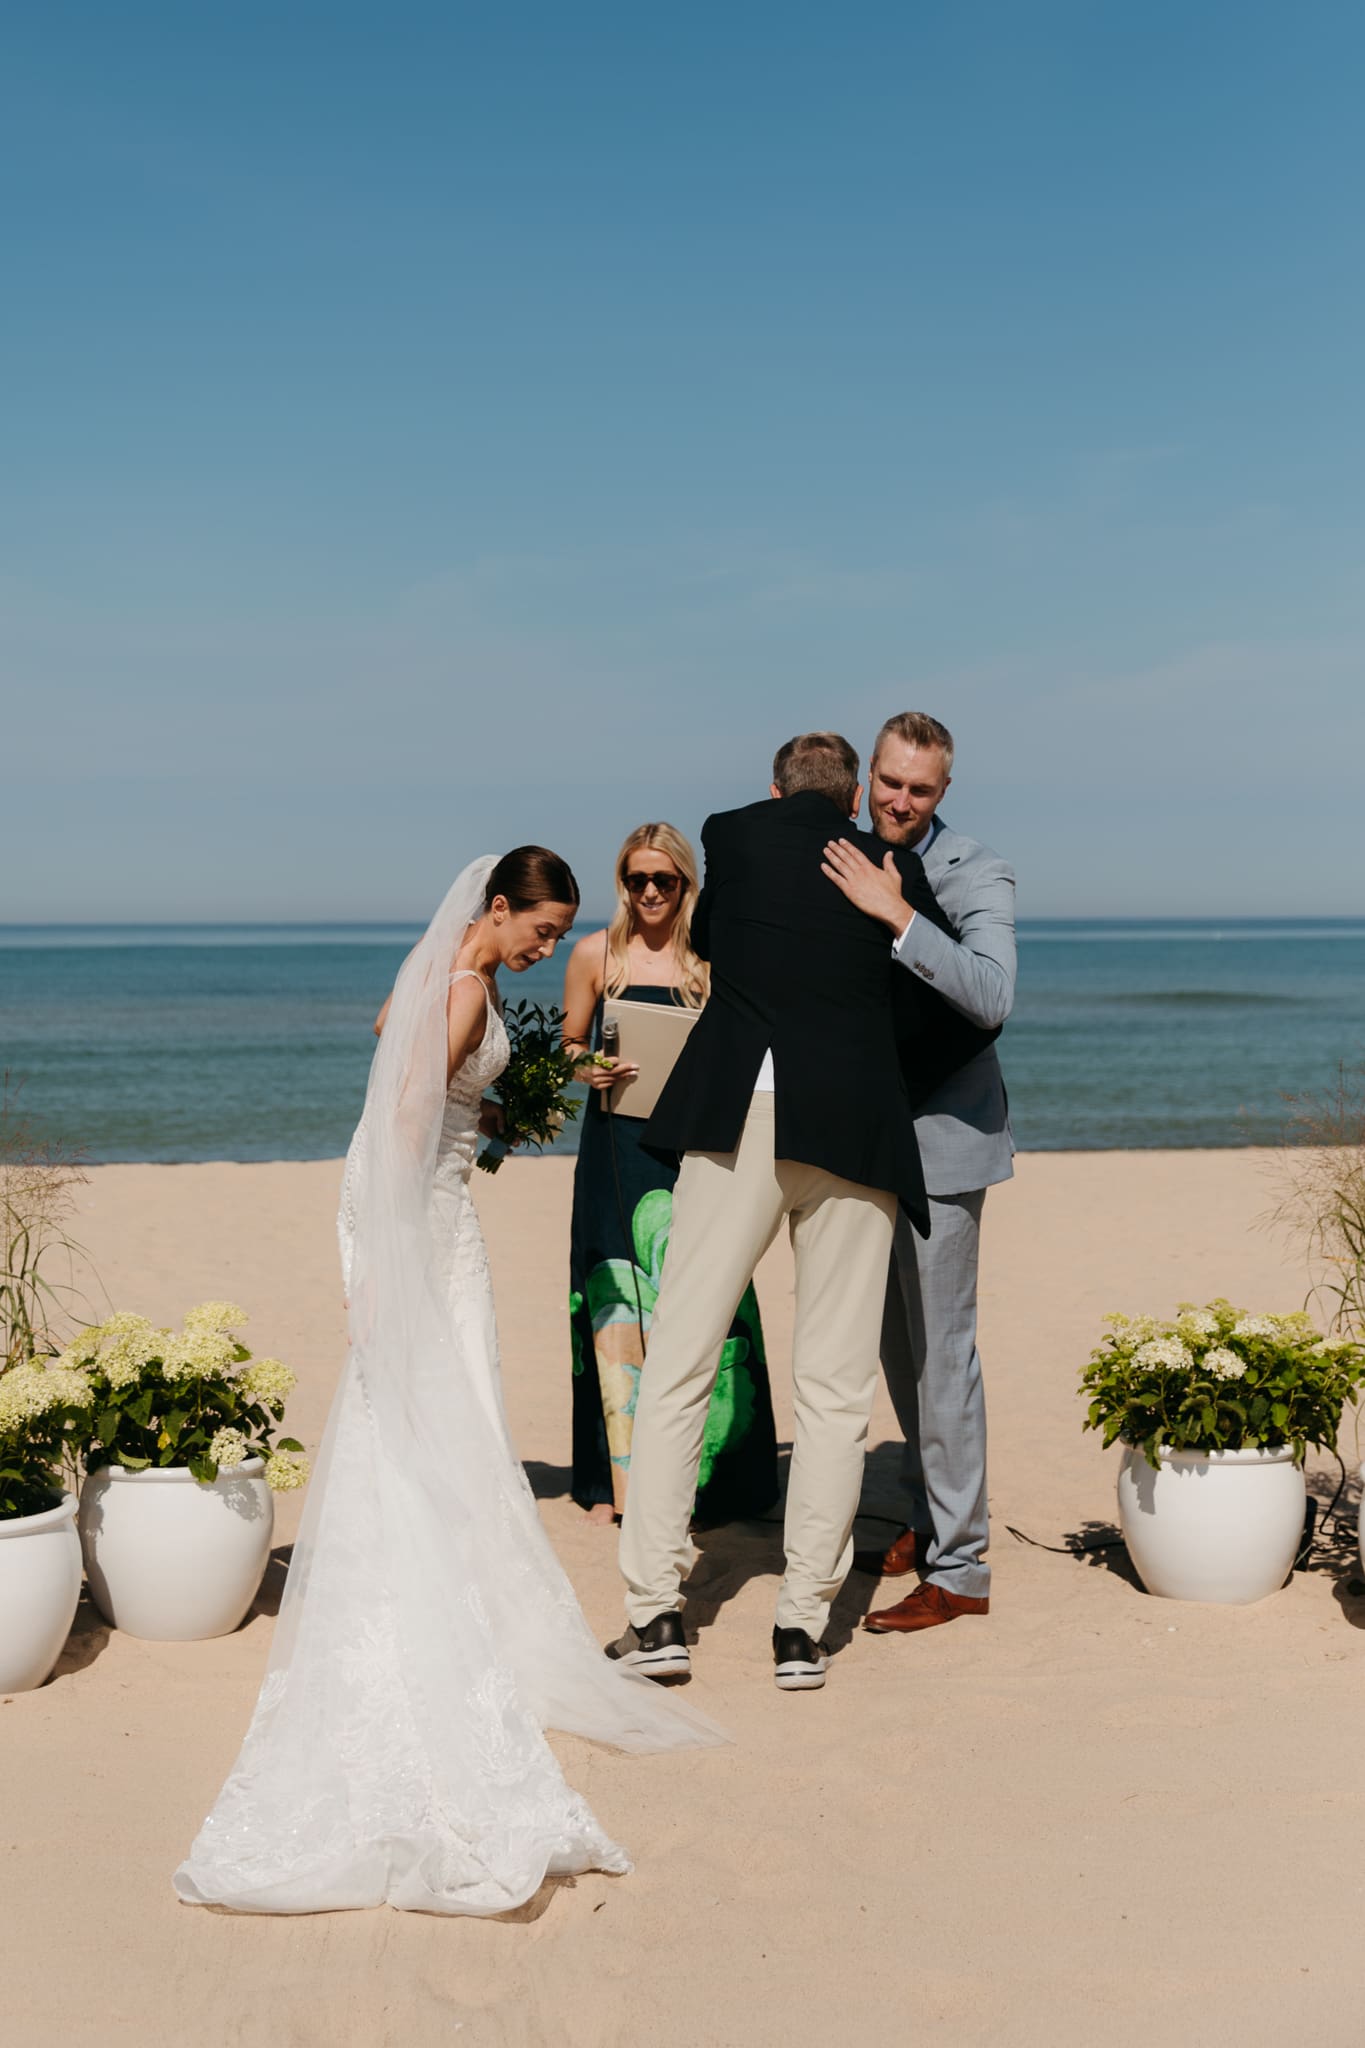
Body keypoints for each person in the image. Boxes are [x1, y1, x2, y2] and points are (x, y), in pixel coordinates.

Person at [174, 847, 718, 1918]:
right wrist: (385, 1267)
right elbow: (405, 1122)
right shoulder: (469, 992)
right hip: (417, 1219)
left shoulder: (454, 982)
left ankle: (448, 1594)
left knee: (442, 1408)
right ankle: (430, 1610)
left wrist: (490, 1105)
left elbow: (391, 1033)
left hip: (430, 1204)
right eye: (542, 927)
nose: (550, 946)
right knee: (438, 1402)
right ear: (498, 907)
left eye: (559, 932)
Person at [610, 735, 960, 1695]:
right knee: (835, 1393)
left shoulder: (731, 833)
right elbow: (933, 998)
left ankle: (654, 1614)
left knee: (679, 1358)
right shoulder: (893, 864)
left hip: (743, 1117)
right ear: (854, 797)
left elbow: (715, 941)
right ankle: (801, 1627)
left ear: (771, 790)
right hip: (853, 1128)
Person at [821, 712, 1016, 1635]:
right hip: (866, 1140)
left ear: (944, 792)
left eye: (920, 789)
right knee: (897, 1352)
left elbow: (990, 994)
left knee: (943, 1356)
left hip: (945, 1143)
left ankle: (963, 1570)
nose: (900, 800)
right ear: (870, 778)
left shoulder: (975, 871)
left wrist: (895, 912)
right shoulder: (845, 850)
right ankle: (929, 1519)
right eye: (889, 782)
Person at [562, 825, 779, 1529]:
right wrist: (583, 1067)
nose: (650, 893)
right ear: (621, 883)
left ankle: (721, 1480)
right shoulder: (596, 953)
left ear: (687, 885)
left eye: (665, 880)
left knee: (712, 1292)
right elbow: (568, 1043)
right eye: (636, 880)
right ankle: (613, 1479)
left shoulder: (710, 959)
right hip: (615, 1147)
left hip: (696, 1149)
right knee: (616, 1299)